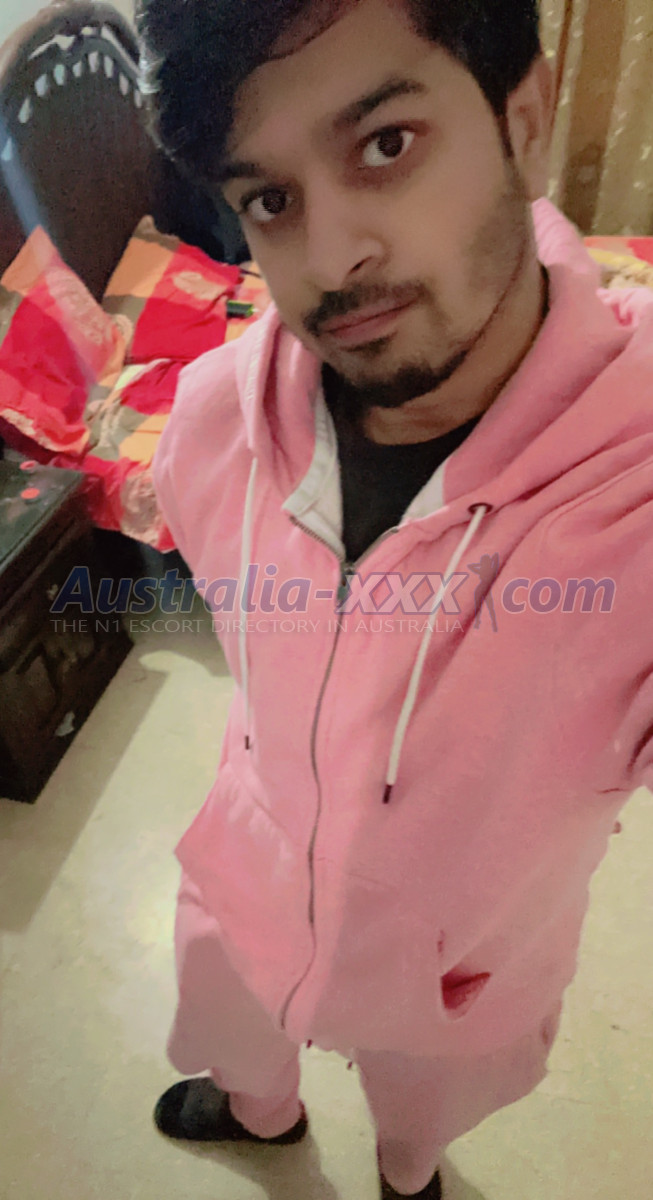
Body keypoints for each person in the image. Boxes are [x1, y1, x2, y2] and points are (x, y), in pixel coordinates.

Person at [137, 0, 653, 1195]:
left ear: (521, 114)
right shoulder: (213, 421)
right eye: (270, 198)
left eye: (384, 144)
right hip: (253, 876)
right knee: (235, 1022)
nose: (330, 262)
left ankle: (408, 1174)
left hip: (456, 963)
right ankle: (259, 1108)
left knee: (420, 1110)